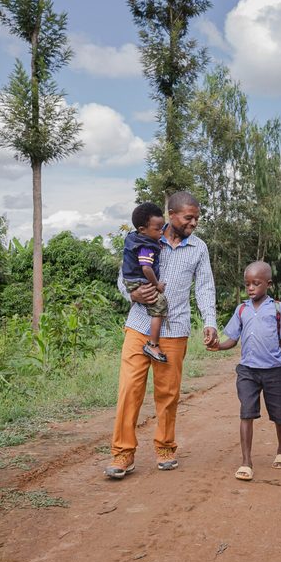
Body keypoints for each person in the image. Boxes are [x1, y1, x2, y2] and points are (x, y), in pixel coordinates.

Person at [105, 192, 218, 479]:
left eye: (196, 218)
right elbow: (123, 276)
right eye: (188, 217)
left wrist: (210, 322)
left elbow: (204, 287)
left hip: (175, 328)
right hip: (139, 325)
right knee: (130, 389)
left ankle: (165, 447)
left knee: (168, 395)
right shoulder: (147, 238)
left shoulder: (198, 248)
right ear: (171, 215)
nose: (193, 223)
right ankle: (122, 454)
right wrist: (132, 293)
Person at [207, 261, 281, 481]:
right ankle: (246, 461)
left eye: (256, 284)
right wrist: (217, 345)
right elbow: (233, 339)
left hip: (275, 370)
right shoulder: (242, 309)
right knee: (246, 412)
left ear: (268, 284)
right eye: (247, 284)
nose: (250, 288)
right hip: (248, 370)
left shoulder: (278, 308)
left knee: (280, 414)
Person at [122, 202, 169, 363]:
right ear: (143, 230)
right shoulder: (146, 247)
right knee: (160, 304)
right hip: (139, 280)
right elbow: (147, 269)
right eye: (157, 229)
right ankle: (152, 344)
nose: (161, 231)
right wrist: (157, 285)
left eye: (162, 227)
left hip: (130, 278)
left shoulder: (135, 238)